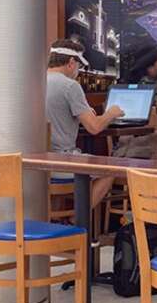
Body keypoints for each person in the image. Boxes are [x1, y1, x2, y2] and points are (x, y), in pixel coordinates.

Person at [46, 39, 124, 209]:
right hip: (63, 160)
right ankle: (78, 220)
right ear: (71, 63)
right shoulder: (70, 86)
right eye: (79, 67)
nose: (79, 71)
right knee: (112, 168)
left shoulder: (35, 81)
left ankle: (59, 221)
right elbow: (94, 127)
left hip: (39, 162)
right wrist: (111, 113)